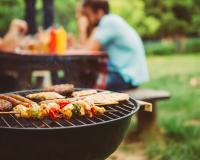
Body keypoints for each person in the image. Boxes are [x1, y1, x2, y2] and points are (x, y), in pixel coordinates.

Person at [77, 0, 149, 91]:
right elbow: (87, 47)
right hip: (127, 73)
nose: (87, 19)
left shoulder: (109, 21)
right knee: (86, 82)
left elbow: (90, 50)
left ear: (99, 12)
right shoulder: (111, 20)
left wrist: (82, 28)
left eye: (88, 15)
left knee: (89, 87)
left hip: (126, 75)